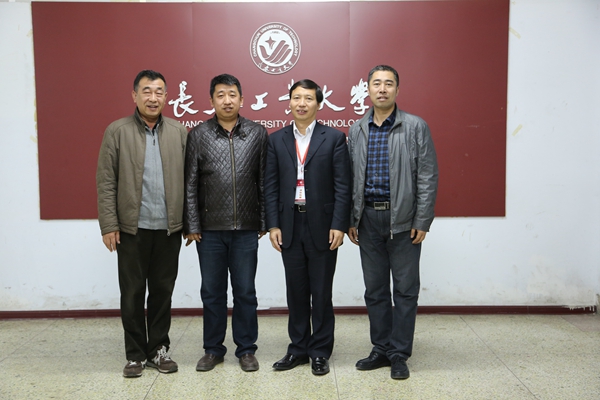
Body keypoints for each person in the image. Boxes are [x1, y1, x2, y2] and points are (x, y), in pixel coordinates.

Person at [347, 65, 438, 380]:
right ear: (368, 90)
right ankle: (381, 348)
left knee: (405, 290)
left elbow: (427, 176)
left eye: (388, 84)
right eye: (376, 83)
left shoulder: (415, 127)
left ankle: (399, 353)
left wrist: (422, 219)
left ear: (397, 90)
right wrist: (352, 218)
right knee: (374, 290)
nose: (382, 89)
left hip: (403, 221)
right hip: (368, 220)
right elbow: (351, 177)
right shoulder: (357, 130)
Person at [97, 70, 187, 378]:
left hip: (168, 229)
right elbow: (106, 181)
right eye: (146, 91)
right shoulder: (117, 131)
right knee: (132, 293)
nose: (153, 97)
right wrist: (109, 224)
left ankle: (159, 350)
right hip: (130, 230)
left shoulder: (178, 132)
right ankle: (135, 354)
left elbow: (190, 181)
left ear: (166, 97)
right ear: (134, 95)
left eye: (159, 92)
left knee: (162, 292)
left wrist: (189, 223)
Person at [265, 79, 351, 376]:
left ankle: (320, 351)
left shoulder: (334, 138)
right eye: (296, 98)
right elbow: (271, 186)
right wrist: (272, 224)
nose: (301, 104)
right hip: (289, 224)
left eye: (308, 98)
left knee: (321, 292)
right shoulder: (276, 140)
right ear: (289, 102)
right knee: (296, 291)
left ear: (318, 103)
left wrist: (339, 224)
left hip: (323, 225)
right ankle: (298, 349)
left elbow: (343, 186)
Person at [184, 74, 268, 372]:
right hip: (209, 231)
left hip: (245, 229)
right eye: (220, 95)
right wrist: (192, 224)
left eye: (232, 94)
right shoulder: (198, 134)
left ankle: (246, 349)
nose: (227, 100)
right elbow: (190, 183)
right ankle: (213, 349)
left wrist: (263, 221)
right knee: (212, 292)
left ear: (242, 99)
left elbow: (263, 180)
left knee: (245, 292)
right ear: (211, 100)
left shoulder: (257, 133)